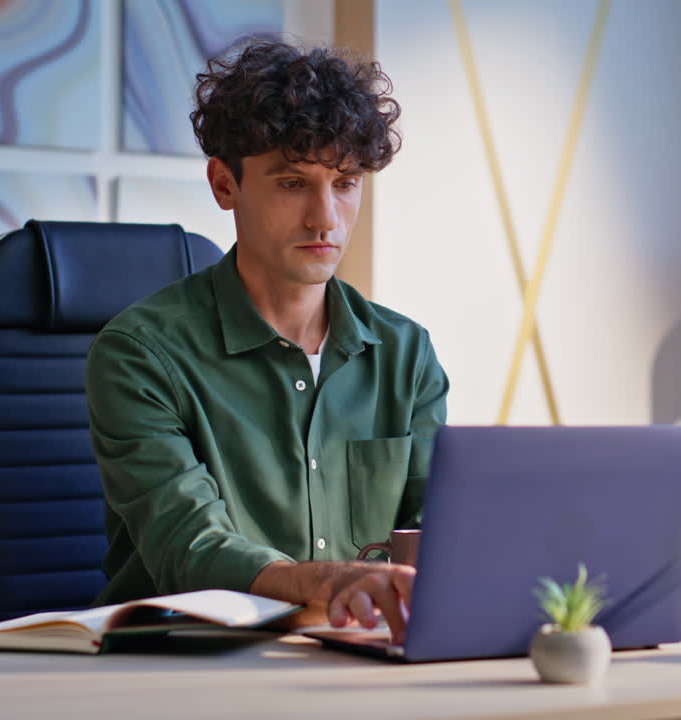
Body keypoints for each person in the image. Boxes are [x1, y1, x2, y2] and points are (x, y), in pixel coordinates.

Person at [85, 41, 448, 645]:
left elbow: (438, 531)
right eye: (291, 183)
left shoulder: (405, 353)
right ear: (225, 184)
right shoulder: (138, 354)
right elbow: (190, 548)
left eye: (346, 182)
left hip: (352, 662)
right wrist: (332, 582)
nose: (325, 218)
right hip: (180, 667)